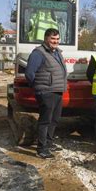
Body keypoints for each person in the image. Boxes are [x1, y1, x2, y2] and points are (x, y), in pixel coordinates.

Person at [25, 28, 67, 159]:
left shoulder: (58, 52)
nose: (55, 41)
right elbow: (29, 73)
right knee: (45, 121)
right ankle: (41, 149)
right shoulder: (38, 53)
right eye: (52, 39)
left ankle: (48, 143)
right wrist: (38, 87)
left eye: (57, 39)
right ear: (46, 39)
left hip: (58, 90)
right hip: (46, 91)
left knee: (54, 120)